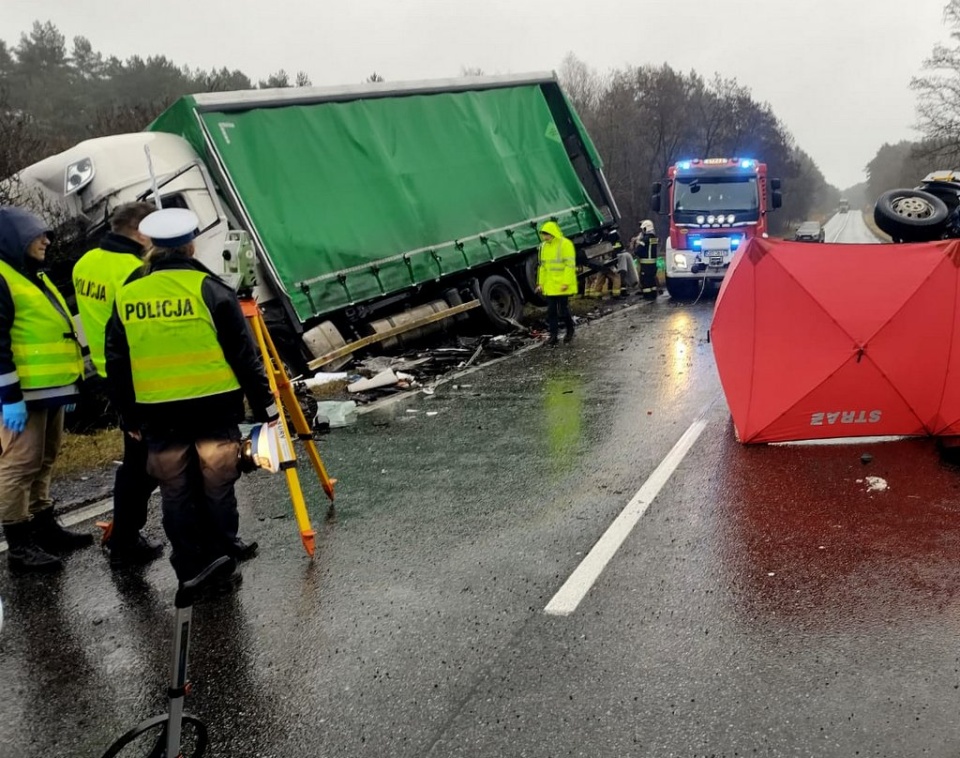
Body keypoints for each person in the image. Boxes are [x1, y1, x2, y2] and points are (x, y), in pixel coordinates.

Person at [105, 207, 278, 591]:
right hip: (212, 408)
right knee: (216, 485)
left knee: (176, 490)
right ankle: (220, 557)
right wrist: (266, 407)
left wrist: (127, 416)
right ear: (190, 245)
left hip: (157, 413)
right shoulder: (211, 290)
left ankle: (190, 567)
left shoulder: (128, 295)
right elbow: (243, 357)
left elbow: (117, 361)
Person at [0, 206, 92, 572]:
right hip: (22, 395)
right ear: (14, 239)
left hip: (49, 390)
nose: (47, 240)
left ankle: (42, 524)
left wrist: (68, 384)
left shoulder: (34, 275)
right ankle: (19, 545)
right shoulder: (5, 278)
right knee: (19, 465)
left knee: (45, 459)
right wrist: (9, 397)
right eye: (37, 234)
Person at [73, 202, 164, 568]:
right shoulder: (134, 269)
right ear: (140, 231)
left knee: (138, 459)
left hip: (109, 371)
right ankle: (125, 537)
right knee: (146, 461)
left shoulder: (85, 263)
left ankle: (124, 533)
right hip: (138, 373)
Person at [535, 221, 577, 346]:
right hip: (550, 285)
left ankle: (570, 331)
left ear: (552, 233)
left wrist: (566, 282)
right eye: (542, 234)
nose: (544, 237)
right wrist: (540, 284)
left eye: (546, 234)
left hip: (562, 285)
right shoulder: (543, 247)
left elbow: (570, 265)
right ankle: (553, 336)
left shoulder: (565, 244)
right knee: (551, 311)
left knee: (563, 310)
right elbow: (542, 267)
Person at [632, 219, 660, 300]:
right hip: (653, 264)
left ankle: (647, 296)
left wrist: (637, 241)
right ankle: (653, 294)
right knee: (652, 280)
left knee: (645, 280)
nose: (642, 231)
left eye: (643, 229)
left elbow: (638, 251)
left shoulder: (645, 239)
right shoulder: (654, 238)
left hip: (645, 264)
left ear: (646, 228)